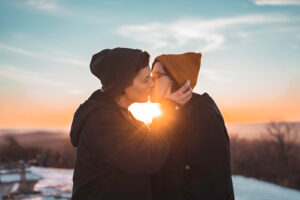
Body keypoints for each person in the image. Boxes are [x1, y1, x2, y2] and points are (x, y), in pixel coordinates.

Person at [70, 47, 192, 200]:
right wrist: (170, 109)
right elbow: (149, 157)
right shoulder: (101, 122)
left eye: (152, 77)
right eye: (145, 79)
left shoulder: (123, 117)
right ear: (123, 84)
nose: (152, 84)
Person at [151, 52, 235, 200]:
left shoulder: (202, 116)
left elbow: (211, 186)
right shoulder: (170, 113)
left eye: (157, 76)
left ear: (175, 79)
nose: (151, 82)